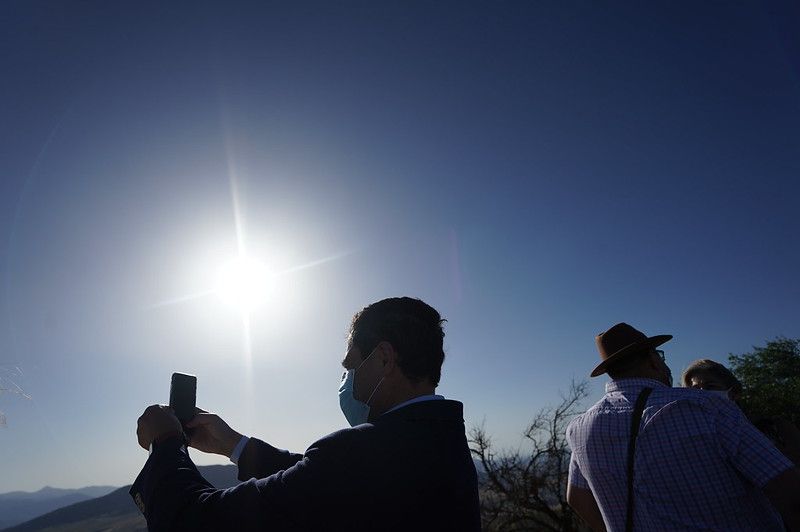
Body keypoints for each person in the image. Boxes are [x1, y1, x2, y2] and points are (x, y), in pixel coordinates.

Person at [130, 297, 481, 531]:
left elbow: (197, 521)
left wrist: (166, 441)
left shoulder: (358, 452)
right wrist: (234, 445)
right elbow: (324, 483)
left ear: (385, 359)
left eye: (351, 365)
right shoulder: (440, 442)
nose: (347, 380)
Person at [565, 322, 800, 532]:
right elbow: (790, 493)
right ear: (653, 360)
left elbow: (577, 499)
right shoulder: (706, 406)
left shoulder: (579, 428)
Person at [682, 358, 800, 466]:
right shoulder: (698, 437)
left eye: (710, 386)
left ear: (734, 393)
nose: (703, 393)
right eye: (695, 390)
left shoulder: (776, 428)